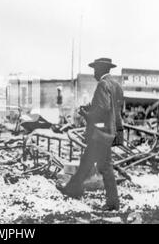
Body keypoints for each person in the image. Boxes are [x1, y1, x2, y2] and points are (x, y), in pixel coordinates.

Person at [58, 58, 124, 211]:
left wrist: (87, 114)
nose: (94, 72)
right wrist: (90, 107)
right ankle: (73, 189)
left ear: (101, 69)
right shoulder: (115, 85)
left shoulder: (102, 84)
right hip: (109, 131)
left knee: (105, 167)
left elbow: (103, 109)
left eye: (95, 69)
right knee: (87, 161)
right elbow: (113, 107)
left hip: (100, 133)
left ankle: (113, 203)